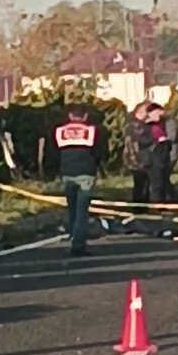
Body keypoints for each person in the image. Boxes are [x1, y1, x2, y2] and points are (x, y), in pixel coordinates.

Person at [53, 105, 105, 256]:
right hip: (86, 172)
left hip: (67, 172)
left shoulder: (60, 131)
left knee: (72, 208)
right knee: (82, 210)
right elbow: (98, 151)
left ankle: (73, 235)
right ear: (85, 117)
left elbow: (54, 152)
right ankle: (78, 245)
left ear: (70, 116)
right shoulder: (91, 130)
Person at [125, 101, 155, 203]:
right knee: (140, 185)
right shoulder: (135, 126)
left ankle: (143, 206)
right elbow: (136, 144)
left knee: (144, 185)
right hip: (138, 160)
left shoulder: (138, 124)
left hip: (141, 159)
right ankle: (139, 208)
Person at [144, 103, 174, 203]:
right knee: (157, 184)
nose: (159, 115)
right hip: (153, 158)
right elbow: (144, 141)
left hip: (162, 156)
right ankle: (158, 207)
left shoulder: (162, 123)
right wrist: (157, 141)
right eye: (156, 113)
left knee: (163, 182)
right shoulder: (147, 126)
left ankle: (168, 204)